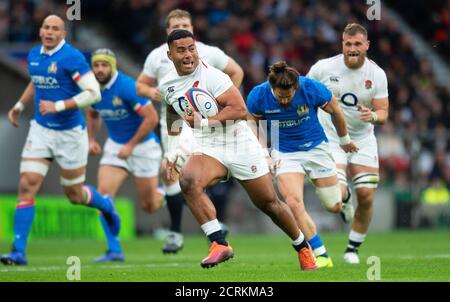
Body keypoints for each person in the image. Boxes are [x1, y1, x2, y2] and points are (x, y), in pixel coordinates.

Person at [160, 29, 317, 270]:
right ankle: (219, 243)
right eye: (181, 50)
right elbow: (173, 111)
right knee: (189, 181)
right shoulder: (168, 83)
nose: (188, 54)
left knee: (269, 204)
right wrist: (171, 152)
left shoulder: (214, 77)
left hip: (238, 143)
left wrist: (202, 122)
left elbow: (240, 110)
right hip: (209, 146)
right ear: (170, 55)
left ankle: (302, 247)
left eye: (191, 48)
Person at [0, 15, 120, 265]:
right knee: (27, 184)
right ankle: (18, 251)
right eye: (46, 27)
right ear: (41, 30)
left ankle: (106, 206)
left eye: (55, 28)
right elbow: (36, 82)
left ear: (63, 34)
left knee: (74, 195)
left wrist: (58, 105)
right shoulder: (34, 54)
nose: (49, 32)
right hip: (41, 131)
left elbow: (93, 93)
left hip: (70, 134)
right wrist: (20, 105)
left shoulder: (72, 58)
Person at [136, 9, 243, 254]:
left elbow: (237, 71)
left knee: (191, 172)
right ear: (167, 31)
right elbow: (140, 84)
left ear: (192, 28)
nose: (179, 27)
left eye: (184, 24)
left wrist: (222, 101)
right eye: (174, 25)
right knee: (172, 172)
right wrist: (153, 93)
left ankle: (204, 231)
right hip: (173, 123)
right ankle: (187, 232)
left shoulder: (208, 53)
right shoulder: (157, 57)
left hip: (202, 123)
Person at [246, 61, 358, 269]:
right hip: (285, 152)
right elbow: (251, 122)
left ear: (296, 87)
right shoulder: (258, 95)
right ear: (272, 88)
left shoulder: (311, 87)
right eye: (281, 96)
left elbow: (336, 111)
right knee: (294, 203)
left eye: (289, 96)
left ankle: (345, 195)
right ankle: (321, 254)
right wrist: (264, 152)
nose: (286, 100)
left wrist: (344, 140)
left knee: (333, 206)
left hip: (316, 148)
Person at [307, 23, 389, 264]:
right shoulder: (323, 68)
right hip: (331, 138)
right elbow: (303, 92)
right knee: (334, 202)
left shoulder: (377, 74)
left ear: (366, 45)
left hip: (362, 139)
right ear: (342, 44)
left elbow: (383, 112)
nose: (352, 49)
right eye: (348, 44)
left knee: (365, 195)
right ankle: (343, 201)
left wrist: (373, 116)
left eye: (357, 44)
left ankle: (352, 248)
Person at [87, 48, 163, 262]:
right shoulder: (92, 88)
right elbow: (92, 113)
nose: (100, 69)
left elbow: (151, 119)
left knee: (149, 206)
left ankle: (164, 193)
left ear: (112, 66)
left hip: (144, 148)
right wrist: (91, 139)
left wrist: (131, 145)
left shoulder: (128, 87)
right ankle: (114, 250)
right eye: (96, 65)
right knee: (103, 198)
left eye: (104, 65)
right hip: (115, 147)